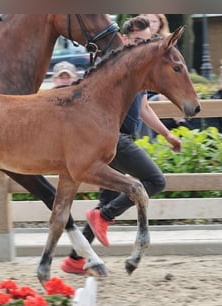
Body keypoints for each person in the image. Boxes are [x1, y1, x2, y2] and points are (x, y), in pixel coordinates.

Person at [60, 15, 182, 274]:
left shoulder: (139, 69)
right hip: (112, 138)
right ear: (125, 39)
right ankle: (102, 218)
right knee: (155, 181)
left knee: (107, 200)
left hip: (119, 138)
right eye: (137, 41)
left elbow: (144, 107)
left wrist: (166, 135)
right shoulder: (116, 65)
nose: (142, 45)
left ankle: (76, 259)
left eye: (146, 41)